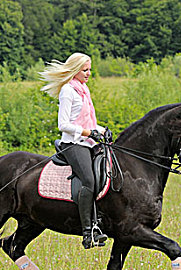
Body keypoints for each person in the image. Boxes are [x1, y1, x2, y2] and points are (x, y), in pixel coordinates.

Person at [39, 52, 109, 249]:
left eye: (89, 69)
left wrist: (102, 130)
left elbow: (88, 120)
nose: (88, 73)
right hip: (73, 143)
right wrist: (88, 132)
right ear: (75, 70)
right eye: (85, 70)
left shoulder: (83, 90)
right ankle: (88, 232)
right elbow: (63, 124)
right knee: (89, 180)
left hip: (88, 142)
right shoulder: (68, 91)